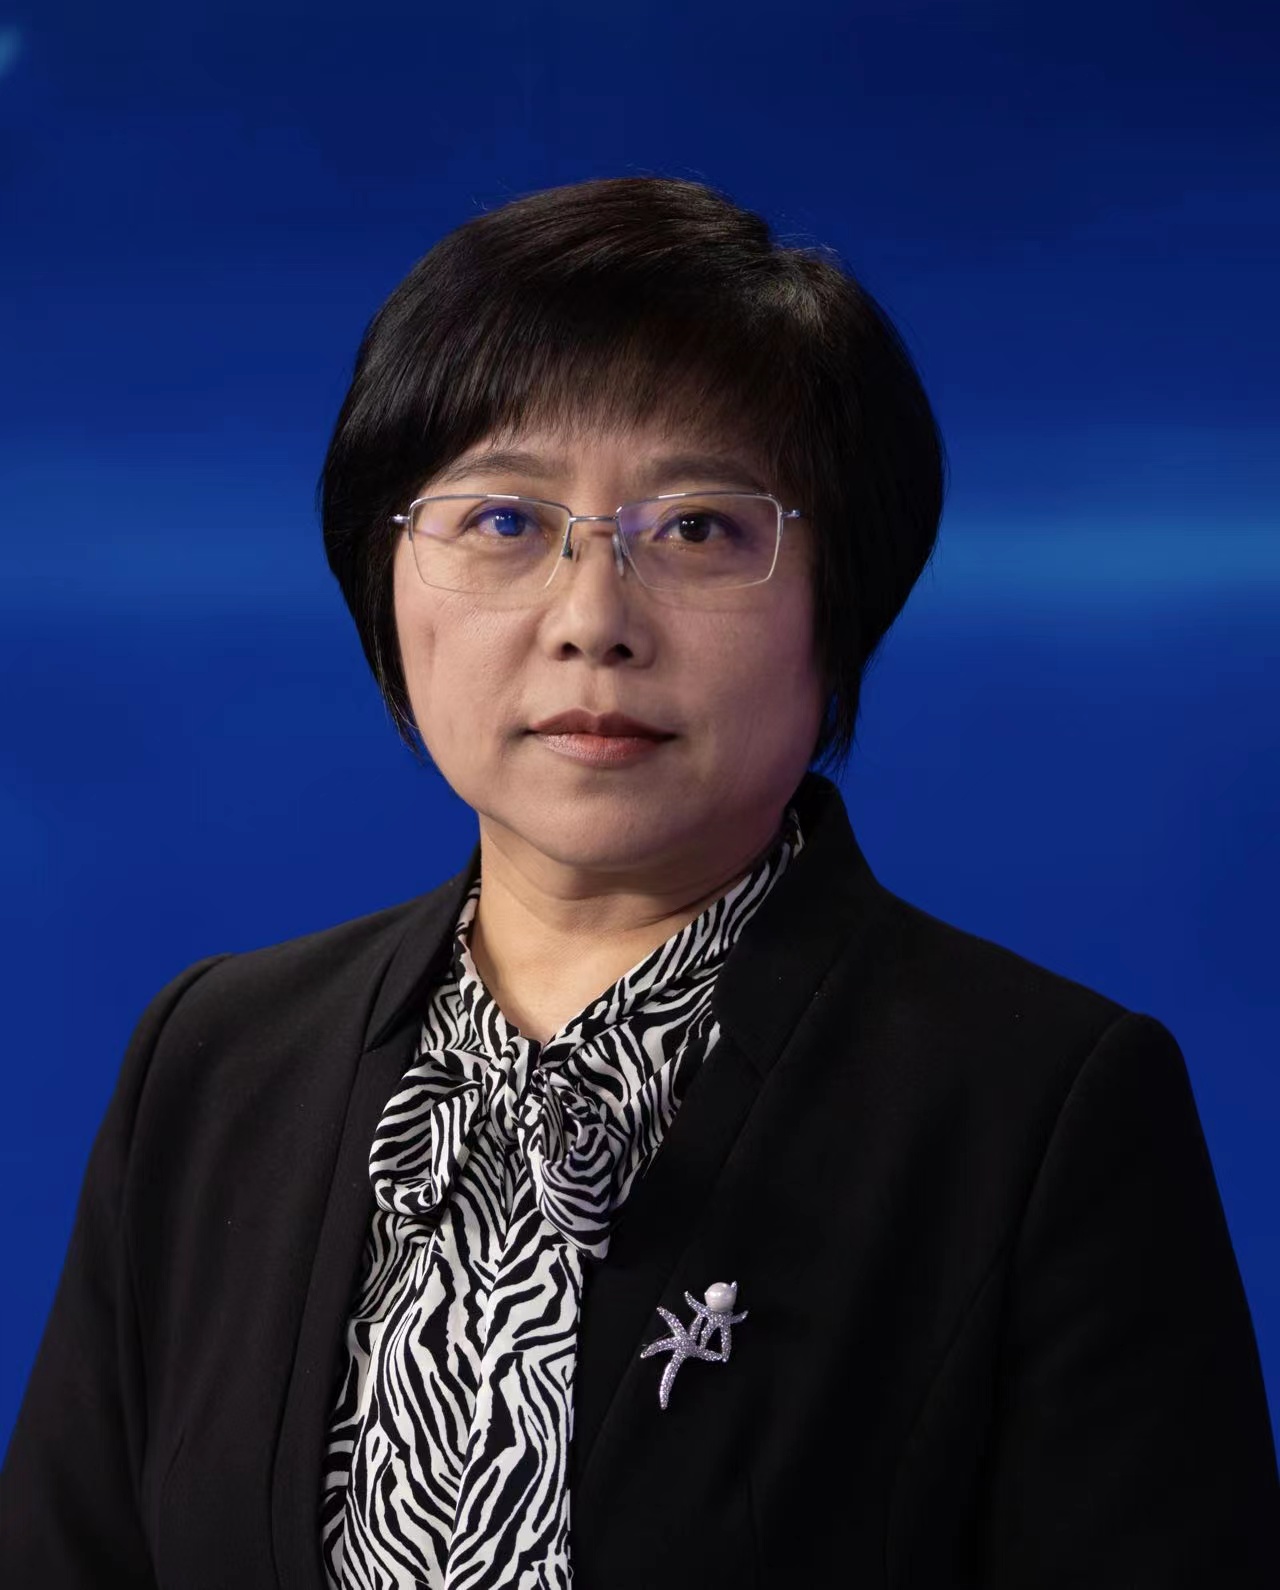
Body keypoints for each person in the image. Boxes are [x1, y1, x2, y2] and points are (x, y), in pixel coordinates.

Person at [1, 176, 1276, 1590]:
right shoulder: (215, 1061)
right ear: (386, 572)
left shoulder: (1040, 1111)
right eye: (504, 520)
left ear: (839, 599)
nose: (592, 620)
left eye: (699, 529)